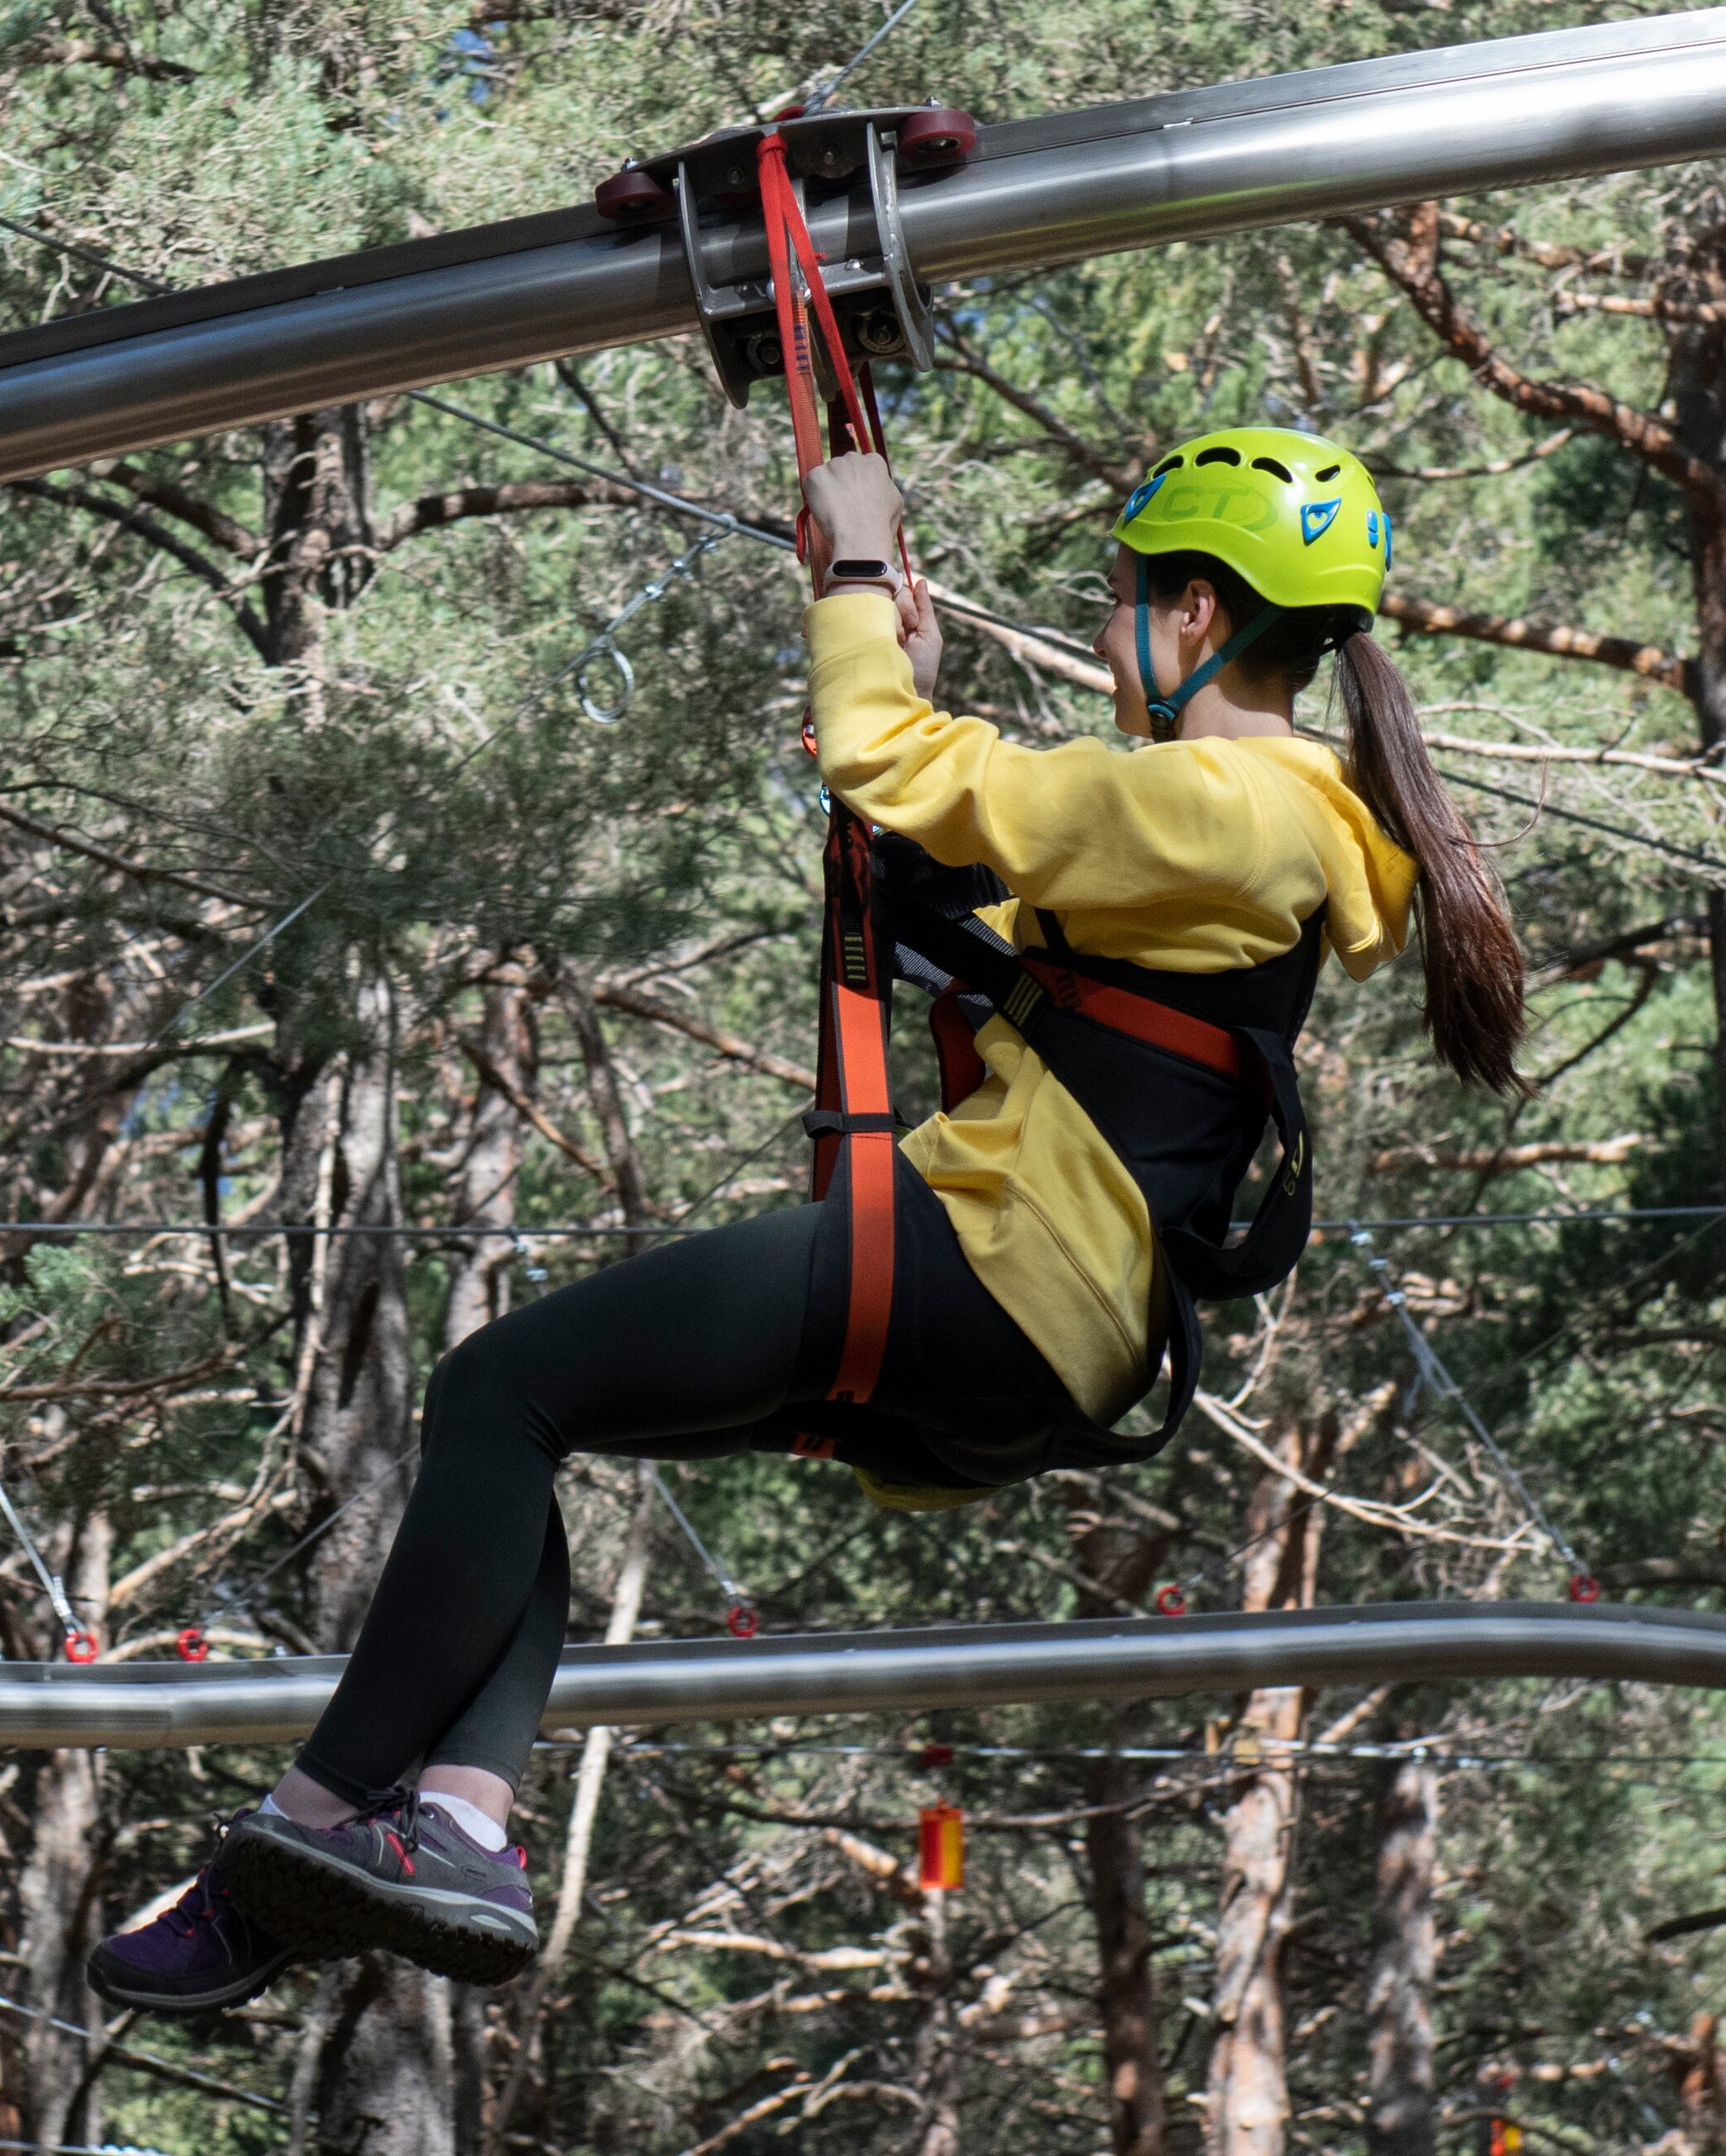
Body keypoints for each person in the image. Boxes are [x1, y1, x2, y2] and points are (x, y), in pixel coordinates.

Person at [92, 419, 1526, 2015]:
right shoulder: (1252, 824)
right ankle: (455, 1817)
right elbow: (991, 859)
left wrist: (852, 565)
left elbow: (898, 765)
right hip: (1035, 1347)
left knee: (498, 1392)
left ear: (1193, 613)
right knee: (529, 1429)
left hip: (991, 1270)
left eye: (1125, 597)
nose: (1115, 637)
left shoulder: (1228, 801)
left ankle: (284, 1848)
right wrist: (909, 724)